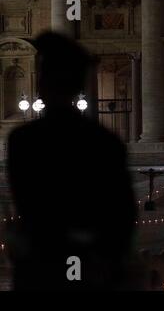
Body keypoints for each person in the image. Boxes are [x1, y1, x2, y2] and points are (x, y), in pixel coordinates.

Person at [6, 32, 136, 290]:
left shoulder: (23, 140)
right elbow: (123, 214)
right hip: (92, 266)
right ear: (79, 87)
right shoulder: (105, 141)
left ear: (41, 84)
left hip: (40, 267)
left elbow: (26, 207)